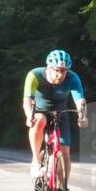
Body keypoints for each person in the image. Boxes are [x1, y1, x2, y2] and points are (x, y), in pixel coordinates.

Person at [23, 50, 89, 181]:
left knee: (65, 154)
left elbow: (79, 101)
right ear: (49, 67)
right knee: (38, 120)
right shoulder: (34, 75)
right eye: (57, 70)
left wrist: (83, 116)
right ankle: (36, 161)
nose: (60, 74)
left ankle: (61, 190)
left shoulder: (72, 78)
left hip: (60, 113)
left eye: (64, 71)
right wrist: (29, 116)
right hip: (40, 111)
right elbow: (27, 100)